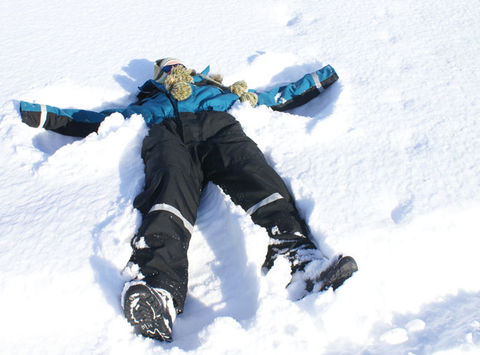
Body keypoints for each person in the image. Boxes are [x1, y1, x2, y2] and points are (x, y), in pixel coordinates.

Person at [19, 58, 358, 342]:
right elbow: (94, 120)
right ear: (158, 79)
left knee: (255, 174)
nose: (174, 72)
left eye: (178, 67)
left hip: (219, 129)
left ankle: (303, 258)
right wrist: (45, 115)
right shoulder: (147, 103)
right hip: (168, 137)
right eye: (166, 70)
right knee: (168, 196)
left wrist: (317, 80)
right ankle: (159, 288)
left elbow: (273, 97)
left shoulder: (218, 91)